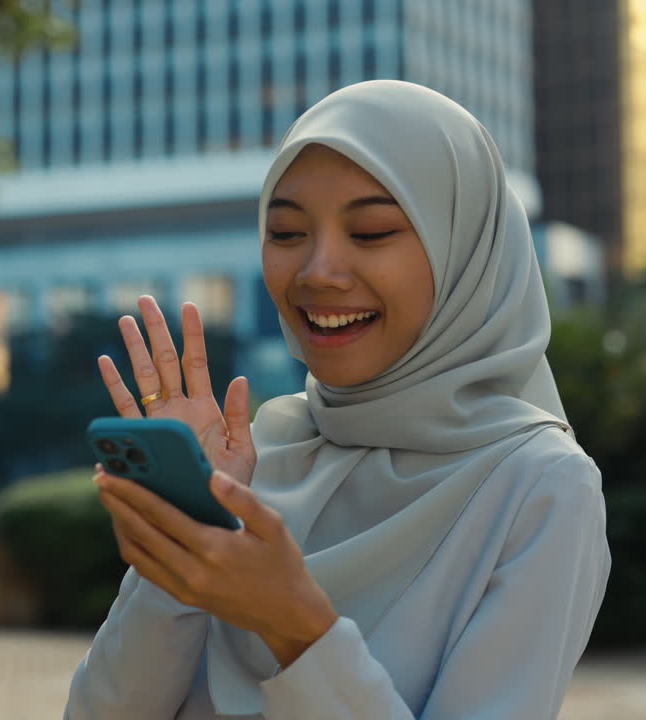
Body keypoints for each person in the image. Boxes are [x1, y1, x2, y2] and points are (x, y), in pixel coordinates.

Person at [65, 80, 611, 719]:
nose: (318, 271)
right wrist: (184, 545)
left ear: (465, 250)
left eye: (373, 231)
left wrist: (294, 625)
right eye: (288, 231)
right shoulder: (262, 449)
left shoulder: (537, 485)